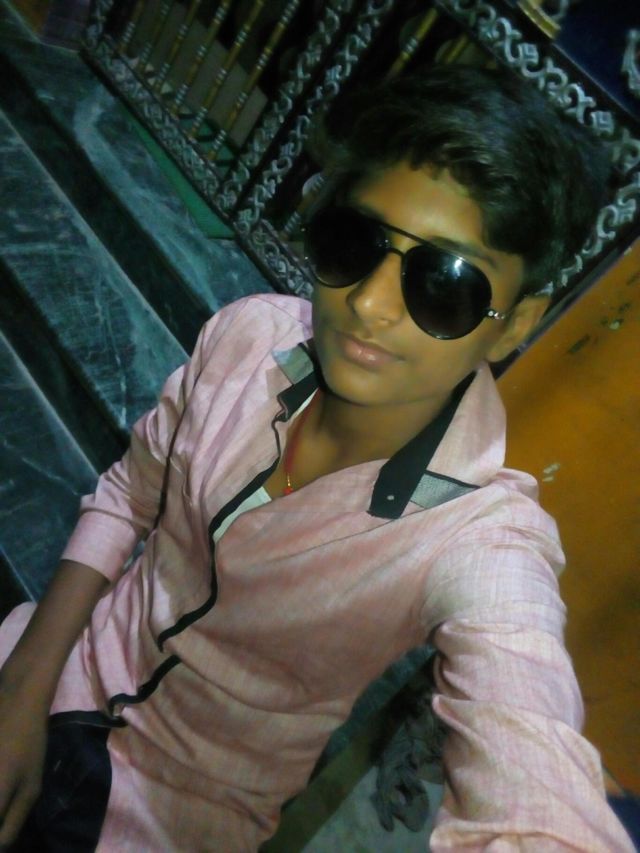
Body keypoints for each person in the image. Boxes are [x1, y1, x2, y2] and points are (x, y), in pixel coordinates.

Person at [0, 65, 633, 851]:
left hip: (178, 813)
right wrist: (24, 683)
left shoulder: (477, 539)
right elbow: (132, 491)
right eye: (355, 243)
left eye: (445, 284)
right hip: (60, 665)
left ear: (517, 323)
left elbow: (529, 750)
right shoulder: (248, 339)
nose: (367, 302)